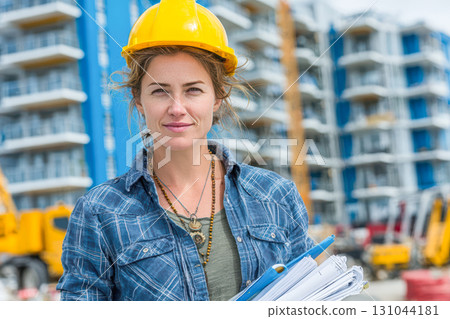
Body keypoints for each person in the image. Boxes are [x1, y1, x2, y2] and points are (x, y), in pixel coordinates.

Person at [57, 0, 314, 301]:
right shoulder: (100, 212)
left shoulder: (276, 197)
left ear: (217, 97)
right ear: (139, 101)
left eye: (193, 90)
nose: (177, 108)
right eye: (159, 91)